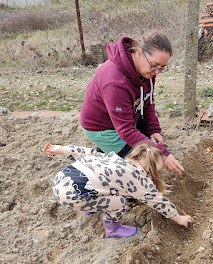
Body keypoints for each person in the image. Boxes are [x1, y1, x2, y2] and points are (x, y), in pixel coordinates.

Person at [80, 30, 184, 174]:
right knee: (145, 163)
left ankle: (108, 152)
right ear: (140, 53)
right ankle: (107, 152)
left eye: (163, 67)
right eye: (155, 65)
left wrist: (153, 129)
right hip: (103, 127)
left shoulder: (147, 70)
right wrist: (163, 153)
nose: (158, 72)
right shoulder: (115, 82)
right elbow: (126, 130)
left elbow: (147, 102)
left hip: (127, 117)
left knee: (150, 147)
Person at [43, 142, 192, 238]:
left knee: (109, 185)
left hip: (62, 179)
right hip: (72, 196)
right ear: (148, 170)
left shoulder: (114, 158)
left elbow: (86, 152)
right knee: (119, 202)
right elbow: (157, 200)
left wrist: (61, 150)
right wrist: (179, 218)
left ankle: (92, 206)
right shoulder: (137, 178)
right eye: (157, 172)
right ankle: (112, 229)